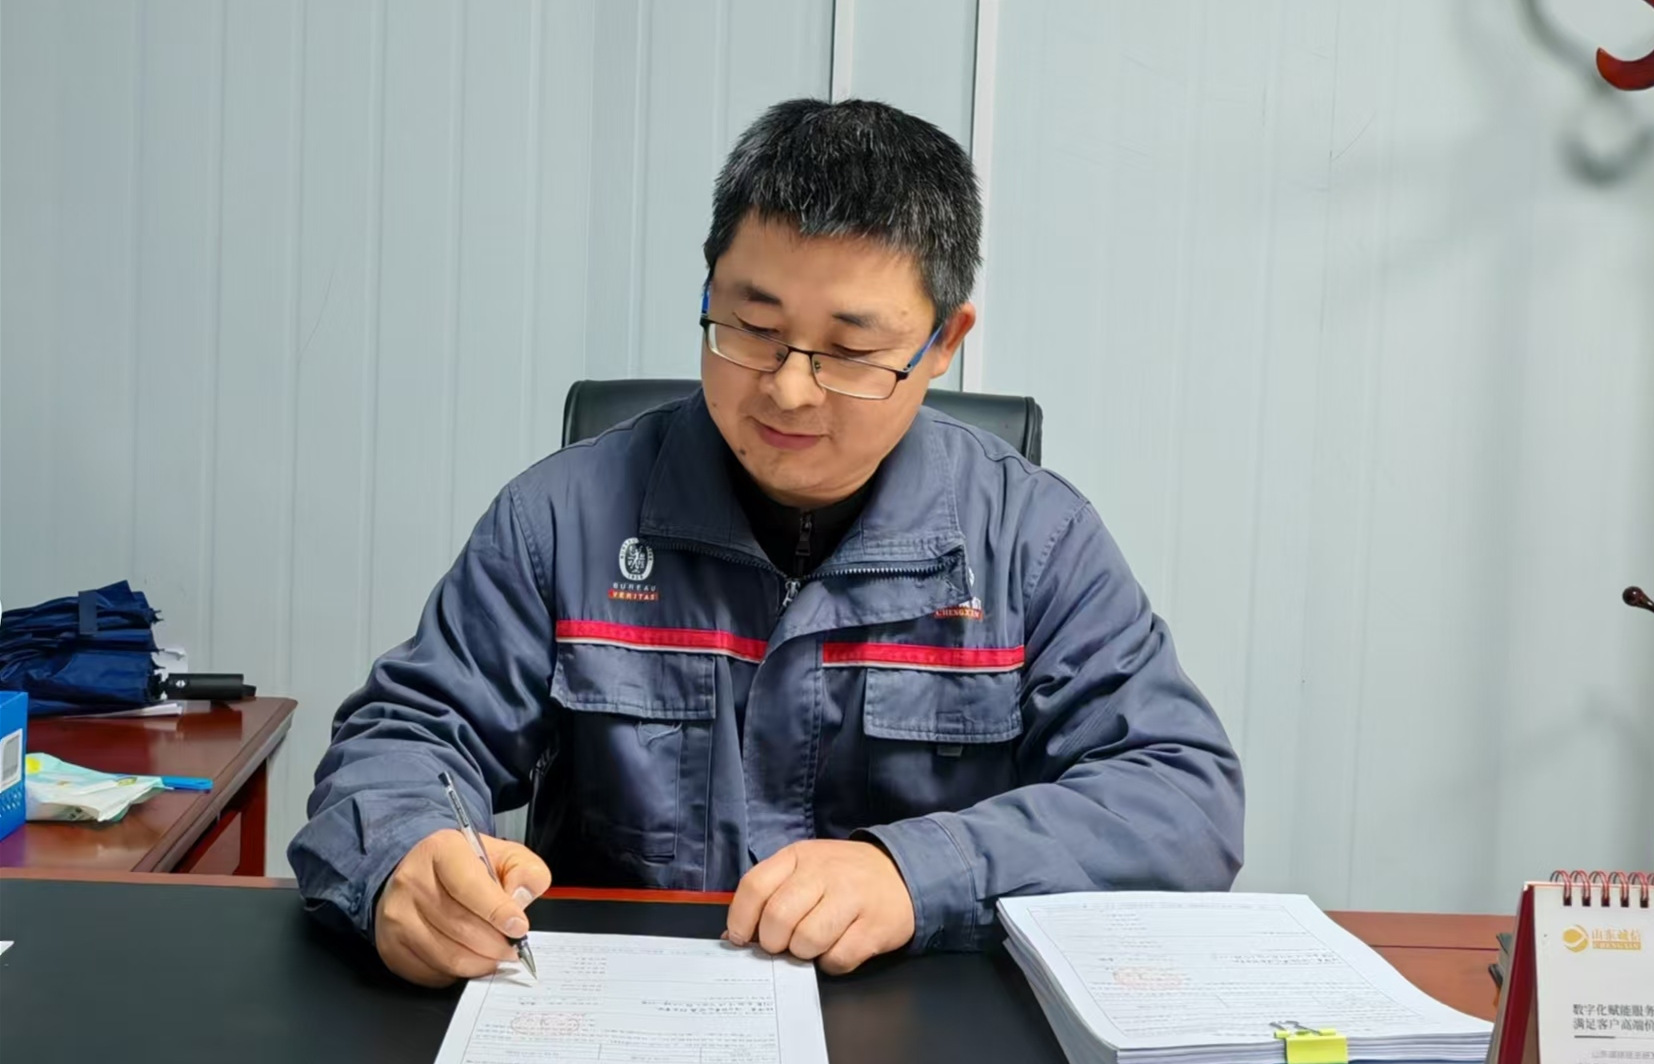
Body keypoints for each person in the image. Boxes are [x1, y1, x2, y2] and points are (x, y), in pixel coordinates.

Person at [289, 98, 1244, 988]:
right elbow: (406, 738)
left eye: (850, 351)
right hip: (627, 1008)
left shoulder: (1032, 541)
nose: (788, 389)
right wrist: (405, 855)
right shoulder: (562, 517)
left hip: (916, 1015)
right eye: (751, 328)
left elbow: (1179, 799)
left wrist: (918, 872)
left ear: (943, 343)